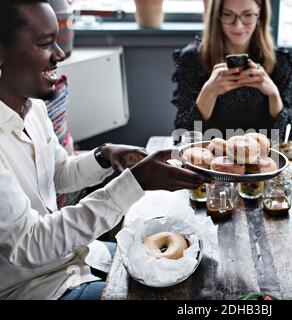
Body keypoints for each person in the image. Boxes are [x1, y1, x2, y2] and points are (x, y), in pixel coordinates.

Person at [0, 0, 211, 300]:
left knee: (191, 268)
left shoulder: (31, 106)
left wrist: (105, 155)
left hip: (73, 260)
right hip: (35, 287)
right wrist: (133, 184)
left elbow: (57, 173)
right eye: (46, 43)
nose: (59, 54)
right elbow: (29, 245)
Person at [172, 0, 292, 142]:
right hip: (208, 160)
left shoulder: (280, 61)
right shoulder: (192, 59)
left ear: (260, 15)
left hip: (261, 160)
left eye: (248, 15)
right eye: (228, 14)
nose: (238, 25)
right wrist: (208, 92)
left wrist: (273, 94)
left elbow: (287, 138)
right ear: (217, 16)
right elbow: (182, 136)